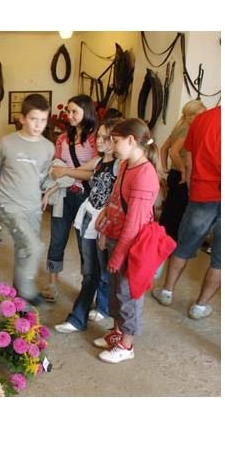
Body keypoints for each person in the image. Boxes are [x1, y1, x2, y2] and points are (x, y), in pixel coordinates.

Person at [93, 118, 160, 363]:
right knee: (114, 291)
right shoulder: (125, 165)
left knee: (128, 294)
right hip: (114, 236)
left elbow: (134, 223)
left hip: (130, 245)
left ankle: (127, 345)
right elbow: (114, 197)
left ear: (131, 141)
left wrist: (119, 254)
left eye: (116, 140)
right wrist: (103, 221)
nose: (111, 145)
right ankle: (118, 332)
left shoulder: (144, 174)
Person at [51, 116, 123, 333]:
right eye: (98, 136)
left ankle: (80, 317)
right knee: (92, 269)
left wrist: (106, 224)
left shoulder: (120, 165)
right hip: (88, 217)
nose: (98, 140)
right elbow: (79, 172)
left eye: (104, 137)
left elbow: (119, 197)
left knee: (97, 270)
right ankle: (97, 308)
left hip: (102, 223)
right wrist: (56, 183)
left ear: (115, 140)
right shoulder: (100, 161)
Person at [151, 106, 221, 320]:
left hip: (202, 192)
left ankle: (166, 292)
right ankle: (200, 307)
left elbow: (189, 158)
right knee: (221, 259)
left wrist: (191, 184)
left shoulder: (203, 119)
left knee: (184, 245)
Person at [0, 94, 55, 305]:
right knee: (34, 247)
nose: (38, 125)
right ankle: (27, 290)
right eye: (34, 119)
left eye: (43, 120)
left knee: (22, 250)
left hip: (34, 206)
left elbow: (43, 177)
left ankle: (17, 298)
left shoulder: (48, 147)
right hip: (9, 203)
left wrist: (51, 189)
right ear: (22, 118)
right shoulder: (6, 143)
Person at [43, 94, 98, 302]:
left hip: (85, 198)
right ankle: (52, 283)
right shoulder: (63, 138)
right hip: (62, 196)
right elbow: (55, 168)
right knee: (57, 239)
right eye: (68, 111)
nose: (70, 115)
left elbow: (94, 173)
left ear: (87, 111)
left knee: (86, 243)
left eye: (75, 111)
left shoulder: (95, 139)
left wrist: (66, 172)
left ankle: (87, 286)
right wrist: (49, 189)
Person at [158, 100, 207, 240]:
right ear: (191, 115)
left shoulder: (178, 126)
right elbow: (174, 152)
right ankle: (170, 243)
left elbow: (164, 149)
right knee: (177, 213)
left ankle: (161, 241)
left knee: (169, 209)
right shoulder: (186, 128)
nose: (202, 119)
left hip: (174, 174)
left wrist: (166, 167)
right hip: (181, 175)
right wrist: (183, 172)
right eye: (200, 115)